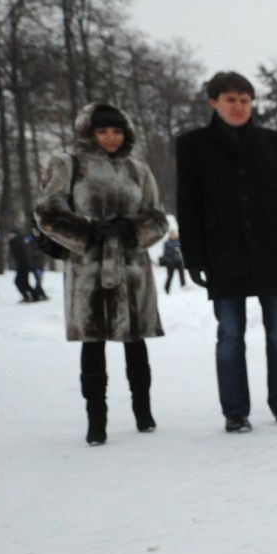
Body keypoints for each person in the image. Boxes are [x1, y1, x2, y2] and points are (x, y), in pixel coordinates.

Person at [176, 71, 277, 432]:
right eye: (230, 99)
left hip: (274, 252)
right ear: (213, 102)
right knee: (231, 335)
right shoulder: (193, 145)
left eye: (244, 100)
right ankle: (235, 411)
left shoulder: (273, 142)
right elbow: (188, 206)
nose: (238, 106)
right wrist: (194, 257)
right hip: (224, 255)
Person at [33, 103, 167, 444]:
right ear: (90, 133)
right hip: (88, 270)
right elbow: (47, 211)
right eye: (104, 131)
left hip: (131, 269)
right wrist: (88, 231)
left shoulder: (138, 170)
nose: (111, 137)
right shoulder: (68, 165)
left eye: (117, 131)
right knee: (92, 347)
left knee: (135, 344)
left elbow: (158, 217)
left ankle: (144, 412)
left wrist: (130, 228)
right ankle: (96, 420)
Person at [7, 227, 46, 302]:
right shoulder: (20, 240)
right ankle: (36, 296)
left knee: (20, 282)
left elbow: (25, 254)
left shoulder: (17, 241)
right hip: (28, 265)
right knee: (25, 283)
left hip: (27, 265)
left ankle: (35, 296)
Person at [159, 229, 187, 293]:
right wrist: (174, 249)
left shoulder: (178, 241)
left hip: (178, 261)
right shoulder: (167, 243)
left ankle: (183, 285)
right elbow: (166, 252)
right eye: (172, 234)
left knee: (182, 274)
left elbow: (180, 249)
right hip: (171, 262)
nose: (173, 235)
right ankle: (166, 288)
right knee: (170, 276)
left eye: (174, 234)